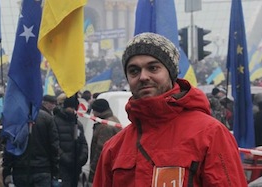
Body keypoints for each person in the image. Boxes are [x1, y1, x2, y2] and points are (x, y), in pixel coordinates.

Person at [93, 33, 247, 186]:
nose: (143, 76)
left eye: (153, 68)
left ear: (171, 73)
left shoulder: (211, 134)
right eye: (134, 71)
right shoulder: (114, 147)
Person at [2, 96, 60, 187]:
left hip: (20, 170)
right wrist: (55, 171)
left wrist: (7, 171)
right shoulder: (47, 118)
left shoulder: (15, 119)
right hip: (42, 169)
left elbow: (9, 147)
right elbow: (54, 147)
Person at [54, 93, 88, 187]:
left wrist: (81, 158)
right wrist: (65, 158)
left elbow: (83, 143)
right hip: (61, 168)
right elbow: (54, 144)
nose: (72, 110)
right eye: (71, 107)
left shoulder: (78, 124)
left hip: (75, 167)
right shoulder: (55, 122)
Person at [88, 99, 121, 185]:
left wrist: (92, 171)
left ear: (98, 111)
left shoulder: (105, 127)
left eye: (94, 111)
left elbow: (100, 151)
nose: (93, 114)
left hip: (103, 171)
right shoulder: (113, 120)